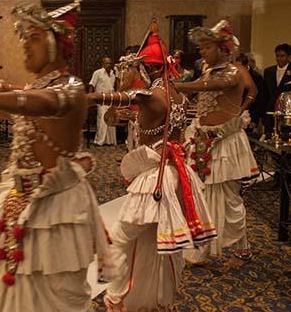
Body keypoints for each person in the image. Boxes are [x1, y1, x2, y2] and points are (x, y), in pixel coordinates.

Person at [0, 0, 113, 312]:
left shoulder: (71, 86)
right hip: (23, 199)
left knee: (56, 290)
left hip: (58, 206)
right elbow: (24, 102)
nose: (24, 46)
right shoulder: (36, 86)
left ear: (55, 44)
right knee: (15, 286)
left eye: (32, 37)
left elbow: (42, 102)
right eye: (23, 38)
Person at [88, 23, 216, 312]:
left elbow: (119, 98)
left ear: (149, 69)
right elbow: (141, 119)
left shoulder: (151, 96)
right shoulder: (177, 95)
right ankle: (153, 298)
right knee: (154, 240)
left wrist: (83, 98)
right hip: (174, 169)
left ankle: (118, 296)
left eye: (141, 68)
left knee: (121, 237)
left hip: (155, 177)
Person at [174, 20, 258, 265]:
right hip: (204, 138)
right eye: (201, 47)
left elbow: (215, 86)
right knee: (204, 195)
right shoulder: (207, 70)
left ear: (223, 48)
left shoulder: (232, 72)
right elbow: (206, 86)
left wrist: (180, 85)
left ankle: (240, 249)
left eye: (207, 47)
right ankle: (202, 248)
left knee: (230, 199)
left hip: (226, 142)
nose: (201, 51)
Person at [90, 56, 117, 146]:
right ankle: (99, 141)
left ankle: (110, 141)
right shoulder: (97, 73)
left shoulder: (113, 74)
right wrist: (90, 98)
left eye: (110, 63)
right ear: (102, 64)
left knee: (111, 120)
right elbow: (92, 85)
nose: (109, 65)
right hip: (101, 99)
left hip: (111, 99)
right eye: (106, 63)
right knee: (102, 120)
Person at [264, 43, 291, 135]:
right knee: (269, 135)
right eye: (277, 56)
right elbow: (265, 93)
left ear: (288, 57)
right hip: (270, 110)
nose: (279, 58)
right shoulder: (268, 71)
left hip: (286, 112)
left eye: (282, 56)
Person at [236, 53, 268, 130]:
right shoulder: (234, 75)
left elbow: (260, 99)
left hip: (249, 115)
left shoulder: (256, 78)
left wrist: (254, 119)